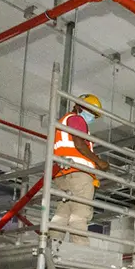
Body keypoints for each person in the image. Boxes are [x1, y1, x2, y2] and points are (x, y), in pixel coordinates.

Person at [50, 94, 109, 245]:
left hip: (63, 174)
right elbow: (79, 144)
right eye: (90, 111)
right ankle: (80, 250)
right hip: (78, 174)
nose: (91, 116)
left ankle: (53, 243)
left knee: (63, 212)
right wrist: (99, 162)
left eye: (94, 115)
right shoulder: (77, 119)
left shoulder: (63, 122)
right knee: (80, 214)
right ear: (78, 106)